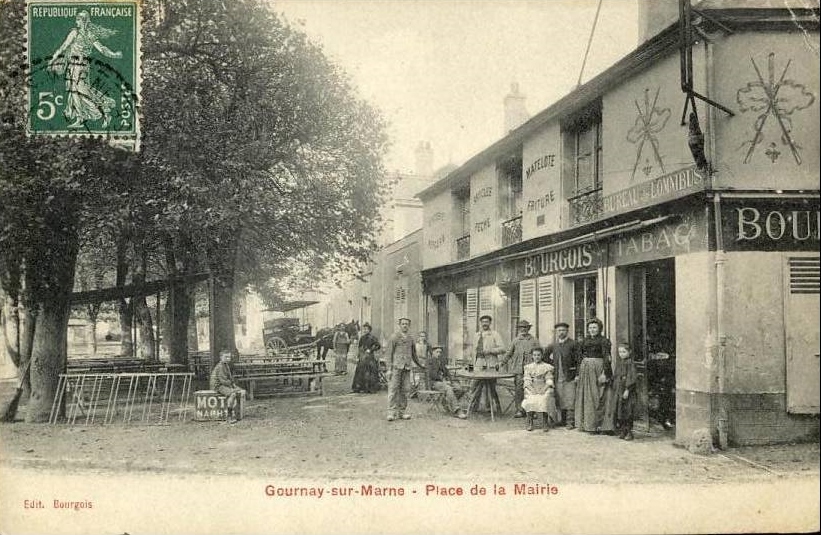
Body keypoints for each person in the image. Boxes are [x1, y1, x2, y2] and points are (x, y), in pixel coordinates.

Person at [49, 10, 122, 128]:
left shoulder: (86, 34)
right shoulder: (76, 33)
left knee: (81, 91)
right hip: (73, 66)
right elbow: (64, 47)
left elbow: (102, 49)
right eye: (77, 19)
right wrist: (53, 58)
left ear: (83, 21)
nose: (76, 21)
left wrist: (114, 55)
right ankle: (82, 117)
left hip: (81, 66)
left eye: (78, 19)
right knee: (76, 92)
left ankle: (104, 109)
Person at [574, 318, 614, 433]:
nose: (592, 330)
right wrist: (578, 374)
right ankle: (588, 425)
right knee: (587, 396)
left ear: (599, 329)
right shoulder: (584, 341)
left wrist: (604, 374)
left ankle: (601, 425)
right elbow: (579, 358)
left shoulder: (604, 341)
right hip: (585, 370)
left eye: (594, 328)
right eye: (590, 328)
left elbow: (607, 358)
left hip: (599, 368)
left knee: (599, 396)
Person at [500, 319, 541, 418]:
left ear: (528, 329)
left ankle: (532, 411)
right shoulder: (516, 340)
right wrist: (502, 362)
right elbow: (509, 353)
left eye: (525, 328)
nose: (523, 330)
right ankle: (520, 410)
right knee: (519, 390)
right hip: (518, 369)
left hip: (531, 369)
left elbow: (539, 353)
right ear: (519, 329)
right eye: (521, 328)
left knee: (531, 389)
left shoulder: (534, 340)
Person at [545, 322, 581, 429]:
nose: (561, 332)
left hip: (570, 375)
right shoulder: (554, 345)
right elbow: (545, 356)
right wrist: (553, 364)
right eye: (559, 330)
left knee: (570, 398)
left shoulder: (573, 344)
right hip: (557, 375)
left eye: (563, 330)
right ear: (556, 332)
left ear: (567, 331)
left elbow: (579, 360)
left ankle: (570, 422)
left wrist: (577, 374)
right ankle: (562, 420)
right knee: (560, 398)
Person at [468, 315, 506, 414]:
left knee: (491, 386)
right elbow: (473, 351)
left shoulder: (495, 334)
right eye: (483, 322)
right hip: (478, 363)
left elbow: (502, 349)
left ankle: (492, 408)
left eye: (487, 322)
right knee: (475, 384)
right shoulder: (476, 335)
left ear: (490, 323)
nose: (484, 324)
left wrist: (490, 350)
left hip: (490, 363)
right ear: (480, 323)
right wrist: (472, 363)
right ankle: (473, 406)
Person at [521, 347, 559, 432]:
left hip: (543, 387)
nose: (536, 357)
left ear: (542, 356)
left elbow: (549, 380)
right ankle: (530, 421)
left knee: (544, 398)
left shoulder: (547, 367)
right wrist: (532, 389)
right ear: (532, 356)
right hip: (532, 387)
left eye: (538, 355)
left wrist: (543, 389)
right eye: (534, 355)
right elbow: (527, 380)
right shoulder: (528, 367)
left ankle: (545, 422)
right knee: (530, 398)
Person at [386, 318, 417, 421]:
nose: (405, 326)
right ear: (399, 325)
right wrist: (389, 369)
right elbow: (389, 354)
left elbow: (414, 354)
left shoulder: (411, 338)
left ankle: (402, 412)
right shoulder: (394, 337)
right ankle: (391, 412)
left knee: (405, 389)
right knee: (393, 389)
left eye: (407, 324)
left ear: (409, 326)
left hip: (407, 367)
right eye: (403, 324)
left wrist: (420, 365)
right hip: (396, 367)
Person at [426, 346, 468, 419]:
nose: (439, 354)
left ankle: (445, 402)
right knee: (448, 388)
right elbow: (431, 375)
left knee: (460, 389)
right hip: (434, 383)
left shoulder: (441, 361)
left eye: (440, 352)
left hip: (443, 382)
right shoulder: (429, 361)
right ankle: (457, 410)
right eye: (437, 352)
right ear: (432, 352)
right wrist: (443, 380)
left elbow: (446, 372)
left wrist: (450, 380)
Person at [210, 350, 246, 424]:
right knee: (232, 394)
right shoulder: (220, 367)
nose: (228, 359)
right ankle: (229, 417)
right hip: (217, 385)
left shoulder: (226, 365)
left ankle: (238, 412)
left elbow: (230, 378)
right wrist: (232, 388)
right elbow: (223, 381)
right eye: (226, 357)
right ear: (221, 357)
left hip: (223, 384)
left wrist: (234, 385)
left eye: (229, 357)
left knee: (239, 390)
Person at [613, 343, 638, 440]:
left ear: (629, 352)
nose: (621, 354)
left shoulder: (630, 363)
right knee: (620, 411)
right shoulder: (620, 363)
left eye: (624, 352)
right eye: (620, 352)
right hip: (619, 389)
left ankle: (629, 432)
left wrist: (627, 389)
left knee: (628, 411)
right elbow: (616, 375)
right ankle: (623, 430)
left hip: (627, 390)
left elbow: (632, 377)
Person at [352, 323, 381, 393]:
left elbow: (378, 346)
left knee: (371, 371)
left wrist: (371, 349)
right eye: (364, 329)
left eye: (366, 329)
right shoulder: (362, 338)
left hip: (370, 357)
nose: (365, 330)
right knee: (360, 371)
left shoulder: (373, 337)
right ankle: (360, 387)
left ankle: (370, 388)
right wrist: (359, 355)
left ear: (369, 330)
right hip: (362, 357)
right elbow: (359, 347)